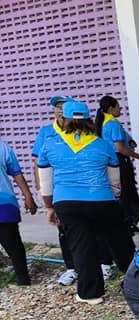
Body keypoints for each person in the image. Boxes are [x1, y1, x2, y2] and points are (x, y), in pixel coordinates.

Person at [36, 101, 135, 304]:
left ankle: (91, 294)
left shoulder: (50, 144)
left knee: (81, 246)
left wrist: (49, 207)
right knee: (120, 243)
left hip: (67, 202)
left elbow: (46, 185)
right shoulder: (103, 144)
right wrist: (114, 200)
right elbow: (115, 181)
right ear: (89, 120)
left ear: (64, 120)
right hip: (102, 199)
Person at [32, 95, 78, 287]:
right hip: (58, 189)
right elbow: (38, 161)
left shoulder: (80, 129)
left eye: (64, 107)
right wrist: (41, 186)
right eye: (57, 107)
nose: (60, 111)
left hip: (79, 186)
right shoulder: (46, 132)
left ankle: (101, 263)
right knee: (63, 229)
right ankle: (71, 267)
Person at [96, 95, 139, 233]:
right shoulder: (113, 124)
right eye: (118, 107)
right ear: (111, 109)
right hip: (119, 160)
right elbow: (120, 148)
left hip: (109, 162)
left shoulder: (103, 123)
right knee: (126, 191)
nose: (120, 109)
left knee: (119, 192)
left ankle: (128, 220)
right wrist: (138, 156)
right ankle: (130, 220)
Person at [0, 136, 38, 285]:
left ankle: (23, 280)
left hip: (4, 204)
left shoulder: (3, 147)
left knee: (13, 244)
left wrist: (28, 196)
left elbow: (16, 173)